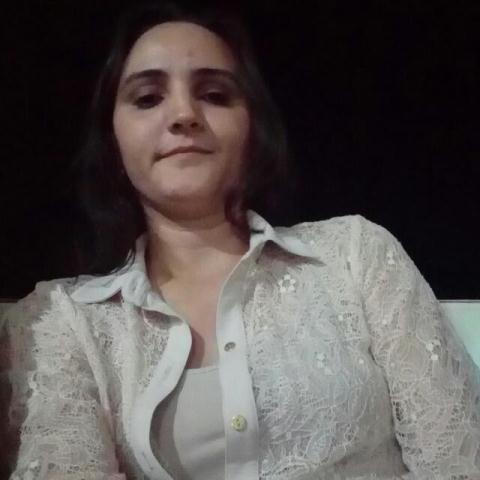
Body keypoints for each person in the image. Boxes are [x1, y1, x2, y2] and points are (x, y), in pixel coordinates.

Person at [3, 2, 480, 479]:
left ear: (253, 129)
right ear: (113, 139)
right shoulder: (63, 321)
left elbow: (458, 462)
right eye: (147, 98)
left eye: (214, 94)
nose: (184, 114)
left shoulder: (357, 256)